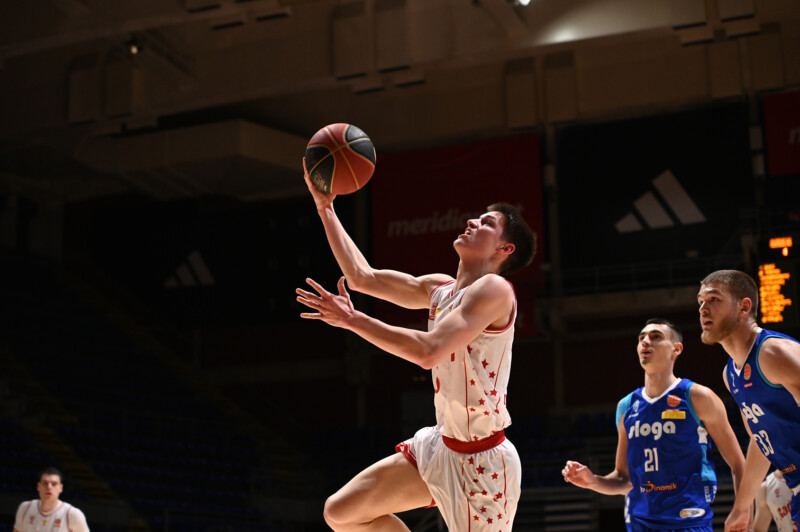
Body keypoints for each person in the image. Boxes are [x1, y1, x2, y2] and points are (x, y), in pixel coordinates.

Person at [295, 159, 537, 531]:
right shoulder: (439, 289)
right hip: (441, 447)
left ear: (505, 248)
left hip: (483, 464)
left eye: (487, 223)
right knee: (341, 512)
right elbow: (361, 277)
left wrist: (353, 320)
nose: (472, 222)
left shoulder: (495, 290)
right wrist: (325, 207)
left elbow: (428, 351)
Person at [562, 318, 746, 531]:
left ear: (676, 349)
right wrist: (593, 480)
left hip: (689, 522)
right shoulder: (626, 407)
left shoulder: (699, 397)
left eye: (656, 337)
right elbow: (624, 479)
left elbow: (738, 464)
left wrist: (744, 512)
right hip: (640, 524)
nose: (646, 342)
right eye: (641, 338)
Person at [698, 269, 800, 532]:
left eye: (714, 299)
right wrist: (742, 507)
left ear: (743, 307)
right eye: (701, 302)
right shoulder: (730, 374)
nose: (703, 309)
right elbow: (760, 439)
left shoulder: (772, 352)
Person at [14, 467, 90, 532]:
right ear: (38, 486)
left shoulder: (73, 514)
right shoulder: (25, 508)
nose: (49, 487)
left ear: (60, 488)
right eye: (45, 483)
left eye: (54, 484)